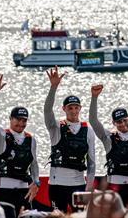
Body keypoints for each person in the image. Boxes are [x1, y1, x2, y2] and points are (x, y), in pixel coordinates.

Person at [0, 73, 41, 213]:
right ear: (10, 119)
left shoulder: (30, 139)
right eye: (18, 119)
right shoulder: (1, 136)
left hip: (24, 192)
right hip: (3, 191)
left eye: (24, 120)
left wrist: (36, 182)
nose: (21, 123)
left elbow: (34, 164)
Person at [88, 83, 128, 207]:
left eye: (124, 120)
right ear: (113, 123)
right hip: (113, 188)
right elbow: (93, 121)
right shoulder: (108, 138)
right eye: (118, 122)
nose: (122, 124)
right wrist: (94, 97)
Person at [43, 67, 96, 212]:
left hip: (78, 185)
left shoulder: (88, 130)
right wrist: (53, 87)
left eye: (76, 107)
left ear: (80, 108)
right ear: (64, 109)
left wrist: (89, 188)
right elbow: (47, 111)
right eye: (70, 108)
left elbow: (92, 163)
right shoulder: (55, 128)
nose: (73, 111)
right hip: (56, 185)